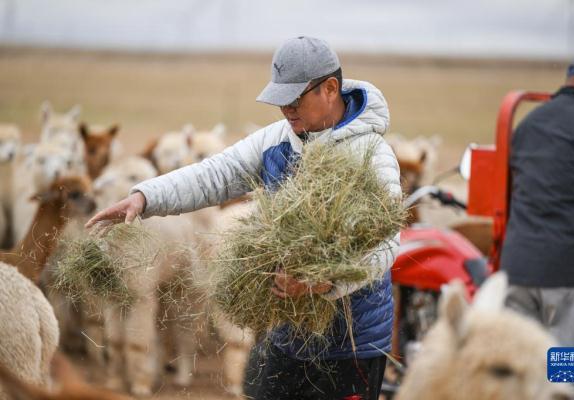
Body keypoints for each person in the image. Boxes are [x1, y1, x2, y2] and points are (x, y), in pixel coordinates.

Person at [86, 36, 401, 400]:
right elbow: (215, 174)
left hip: (350, 344)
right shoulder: (278, 140)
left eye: (295, 98)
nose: (286, 108)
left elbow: (385, 244)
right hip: (287, 332)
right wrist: (145, 198)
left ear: (330, 89)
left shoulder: (371, 156)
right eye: (280, 99)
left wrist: (324, 284)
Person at [500, 54, 574, 400]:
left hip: (517, 276)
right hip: (568, 285)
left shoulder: (528, 124)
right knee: (566, 380)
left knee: (522, 378)